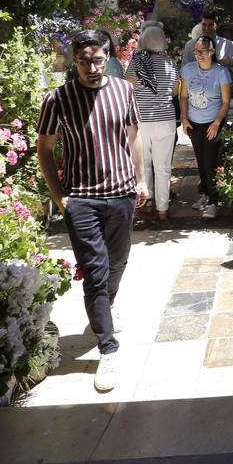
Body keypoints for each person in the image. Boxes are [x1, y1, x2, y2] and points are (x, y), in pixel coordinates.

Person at [37, 29, 146, 392]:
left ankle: (106, 306)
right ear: (75, 61)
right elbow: (45, 150)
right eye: (84, 61)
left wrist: (141, 179)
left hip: (121, 194)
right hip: (81, 199)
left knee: (118, 262)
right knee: (95, 272)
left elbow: (133, 136)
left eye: (97, 59)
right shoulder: (58, 99)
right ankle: (107, 347)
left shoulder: (123, 90)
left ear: (108, 57)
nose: (91, 67)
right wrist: (59, 196)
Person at [125, 23, 179, 222]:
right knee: (163, 166)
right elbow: (174, 91)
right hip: (166, 119)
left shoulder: (137, 62)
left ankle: (147, 202)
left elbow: (127, 88)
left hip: (142, 121)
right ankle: (163, 209)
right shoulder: (171, 63)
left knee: (144, 163)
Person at [179, 34, 233, 218]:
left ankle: (214, 201)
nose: (199, 55)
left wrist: (217, 123)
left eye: (203, 51)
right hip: (194, 122)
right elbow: (184, 96)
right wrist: (184, 118)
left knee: (211, 162)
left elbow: (226, 102)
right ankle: (204, 193)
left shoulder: (221, 72)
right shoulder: (187, 70)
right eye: (196, 51)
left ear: (212, 51)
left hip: (213, 122)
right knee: (200, 160)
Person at [180, 9, 233, 78]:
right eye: (204, 25)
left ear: (217, 25)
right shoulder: (191, 45)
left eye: (211, 25)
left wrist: (231, 63)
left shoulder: (228, 45)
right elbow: (183, 70)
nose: (207, 28)